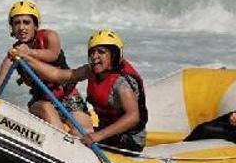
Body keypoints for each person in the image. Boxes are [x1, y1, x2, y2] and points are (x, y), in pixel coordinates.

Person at [15, 29, 148, 151]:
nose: (95, 56)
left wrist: (98, 136)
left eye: (101, 52)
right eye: (92, 52)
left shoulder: (122, 84)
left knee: (78, 140)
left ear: (113, 55)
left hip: (129, 140)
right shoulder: (91, 70)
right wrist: (27, 59)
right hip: (108, 133)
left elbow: (133, 117)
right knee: (76, 134)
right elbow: (58, 75)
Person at [0, 0, 92, 134]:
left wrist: (29, 52)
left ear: (35, 26)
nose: (22, 27)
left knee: (83, 131)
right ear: (12, 28)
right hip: (41, 101)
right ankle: (58, 140)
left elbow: (52, 54)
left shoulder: (50, 37)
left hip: (67, 95)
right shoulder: (12, 55)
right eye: (16, 23)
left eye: (26, 22)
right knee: (47, 110)